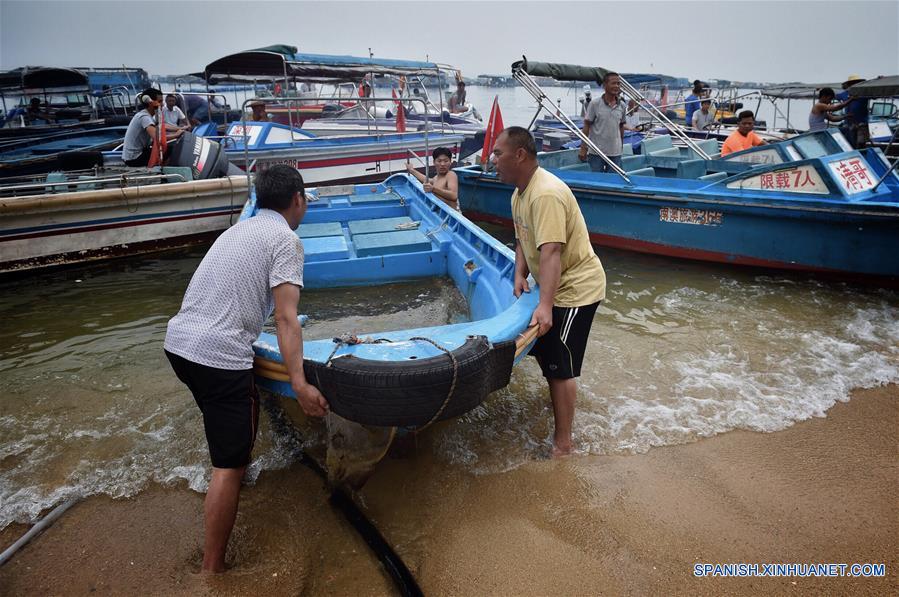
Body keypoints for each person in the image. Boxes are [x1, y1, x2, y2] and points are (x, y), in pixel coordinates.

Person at [164, 164, 328, 573]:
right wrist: (301, 384)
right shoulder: (285, 240)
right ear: (298, 200)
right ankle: (212, 567)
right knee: (228, 466)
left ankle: (237, 473)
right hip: (217, 356)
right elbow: (286, 319)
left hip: (180, 344)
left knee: (232, 430)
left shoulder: (237, 231)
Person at [492, 126, 605, 457]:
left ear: (520, 155)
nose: (493, 159)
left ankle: (563, 444)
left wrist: (544, 305)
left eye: (498, 153)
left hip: (577, 289)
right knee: (548, 356)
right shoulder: (518, 194)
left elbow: (552, 251)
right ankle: (561, 411)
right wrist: (519, 274)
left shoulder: (546, 194)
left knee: (561, 365)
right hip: (554, 286)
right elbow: (523, 239)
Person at [578, 71, 626, 172]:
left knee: (613, 183)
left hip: (615, 153)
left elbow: (621, 126)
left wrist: (621, 146)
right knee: (596, 180)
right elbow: (586, 125)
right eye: (613, 83)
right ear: (604, 85)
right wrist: (583, 148)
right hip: (596, 153)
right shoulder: (594, 104)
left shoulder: (622, 106)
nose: (616, 86)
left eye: (618, 84)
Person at [122, 88, 182, 167]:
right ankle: (165, 174)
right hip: (134, 158)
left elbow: (162, 126)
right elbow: (157, 137)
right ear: (150, 102)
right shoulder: (144, 117)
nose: (163, 104)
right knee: (171, 150)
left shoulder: (149, 116)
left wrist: (180, 129)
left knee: (170, 147)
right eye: (160, 102)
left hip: (138, 153)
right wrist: (176, 135)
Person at [406, 147, 460, 211]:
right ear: (434, 162)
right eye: (439, 161)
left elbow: (453, 196)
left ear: (450, 162)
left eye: (446, 161)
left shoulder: (451, 175)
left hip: (453, 215)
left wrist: (433, 189)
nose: (442, 164)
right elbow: (426, 179)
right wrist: (412, 170)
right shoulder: (435, 178)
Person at [839, 75, 869, 148]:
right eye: (852, 83)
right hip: (849, 124)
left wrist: (878, 80)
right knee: (849, 144)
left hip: (862, 124)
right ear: (849, 85)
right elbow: (834, 96)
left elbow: (876, 94)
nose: (854, 85)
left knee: (861, 143)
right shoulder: (844, 94)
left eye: (856, 83)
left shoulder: (864, 93)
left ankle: (862, 156)